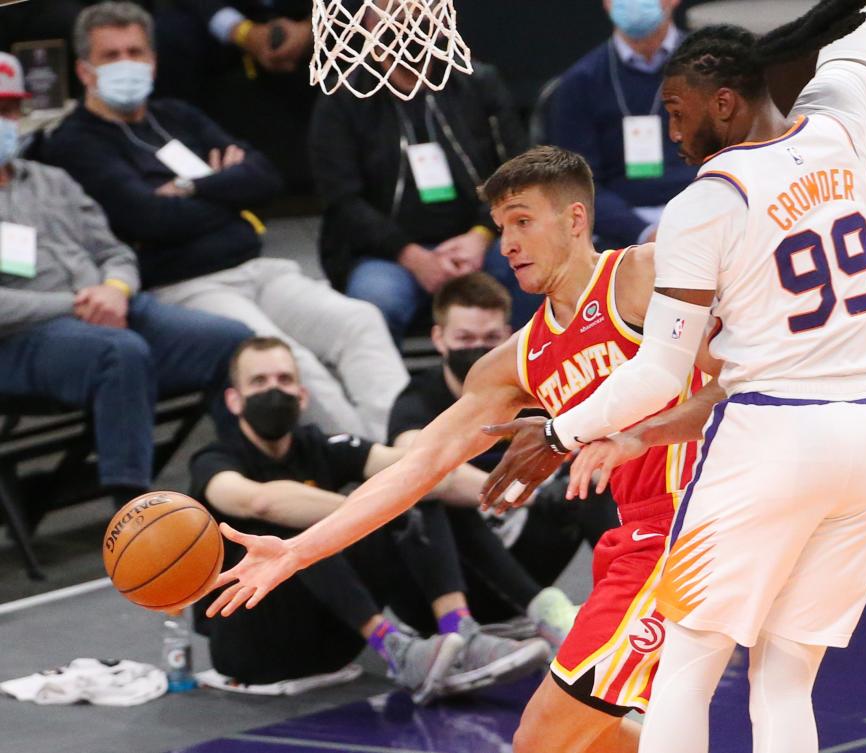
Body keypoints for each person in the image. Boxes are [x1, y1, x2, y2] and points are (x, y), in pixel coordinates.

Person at [482, 3, 866, 752]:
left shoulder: (706, 202)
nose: (673, 133)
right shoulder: (840, 127)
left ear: (725, 102)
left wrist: (559, 431)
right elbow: (860, 28)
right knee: (784, 677)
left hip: (773, 435)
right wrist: (792, 39)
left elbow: (658, 369)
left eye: (678, 113)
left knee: (684, 661)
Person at [205, 147, 725, 753]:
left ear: (576, 219)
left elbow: (738, 379)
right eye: (501, 226)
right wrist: (297, 551)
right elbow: (417, 468)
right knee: (600, 734)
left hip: (698, 526)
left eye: (523, 221)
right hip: (636, 539)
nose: (507, 242)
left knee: (543, 738)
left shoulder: (642, 276)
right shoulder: (516, 361)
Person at [45, 1, 408, 441]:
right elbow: (150, 216)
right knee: (285, 359)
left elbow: (265, 177)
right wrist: (223, 185)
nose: (127, 64)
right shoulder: (74, 142)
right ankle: (381, 472)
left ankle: (415, 453)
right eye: (111, 56)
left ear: (154, 61)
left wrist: (192, 189)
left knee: (359, 321)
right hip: (183, 287)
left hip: (255, 268)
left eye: (135, 53)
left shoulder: (176, 115)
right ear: (85, 71)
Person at [191, 336, 550, 701]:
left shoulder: (320, 445)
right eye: (259, 382)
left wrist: (527, 489)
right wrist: (367, 509)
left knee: (419, 487)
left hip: (331, 638)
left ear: (302, 395)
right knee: (290, 523)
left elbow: (424, 468)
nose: (274, 391)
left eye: (284, 380)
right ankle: (394, 648)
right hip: (251, 640)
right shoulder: (214, 460)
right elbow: (260, 502)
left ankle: (464, 627)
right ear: (233, 400)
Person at [0, 51, 251, 511]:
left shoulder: (53, 180)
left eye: (9, 109)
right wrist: (77, 302)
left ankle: (245, 484)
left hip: (108, 307)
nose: (5, 120)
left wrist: (114, 289)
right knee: (121, 354)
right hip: (21, 337)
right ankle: (135, 516)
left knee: (233, 343)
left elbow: (113, 250)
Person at [388, 271, 619, 648]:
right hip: (443, 578)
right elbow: (411, 460)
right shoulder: (417, 399)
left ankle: (629, 602)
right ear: (439, 339)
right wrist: (510, 491)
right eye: (465, 339)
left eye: (490, 339)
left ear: (509, 336)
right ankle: (472, 628)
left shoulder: (533, 388)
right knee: (428, 491)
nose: (477, 348)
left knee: (590, 479)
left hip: (523, 548)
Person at [309, 18, 540, 342]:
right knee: (375, 306)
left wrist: (482, 233)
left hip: (484, 240)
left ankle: (534, 385)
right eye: (392, 11)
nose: (405, 20)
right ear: (367, 22)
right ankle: (395, 394)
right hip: (387, 253)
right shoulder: (343, 98)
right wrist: (411, 255)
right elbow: (342, 199)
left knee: (537, 277)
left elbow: (520, 172)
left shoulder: (478, 82)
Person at [544, 0, 696, 249]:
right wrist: (643, 233)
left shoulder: (710, 70)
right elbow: (578, 182)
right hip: (621, 233)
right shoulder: (580, 83)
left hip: (704, 215)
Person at [152, 0, 317, 191]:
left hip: (319, 16)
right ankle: (181, 165)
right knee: (171, 31)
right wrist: (241, 31)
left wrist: (314, 27)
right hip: (220, 15)